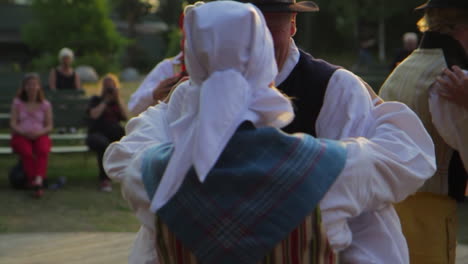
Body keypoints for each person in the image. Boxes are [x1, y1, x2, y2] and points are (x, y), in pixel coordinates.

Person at [103, 2, 435, 263]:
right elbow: (410, 153)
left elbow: (129, 150)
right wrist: (375, 106)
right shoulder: (333, 171)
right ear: (265, 65)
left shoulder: (148, 178)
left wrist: (190, 98)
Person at [238, 0, 434, 263]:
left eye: (270, 27)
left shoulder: (334, 88)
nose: (260, 43)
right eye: (247, 29)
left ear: (293, 23)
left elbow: (361, 217)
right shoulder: (199, 95)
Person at [379, 0, 468, 262]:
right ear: (460, 26)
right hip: (430, 217)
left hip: (389, 212)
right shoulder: (455, 78)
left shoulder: (402, 69)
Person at [128, 12, 190, 116]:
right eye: (184, 36)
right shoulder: (168, 67)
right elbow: (133, 107)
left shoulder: (218, 70)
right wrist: (154, 94)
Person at [10, 73, 53, 198]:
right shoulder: (17, 103)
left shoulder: (45, 104)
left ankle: (38, 180)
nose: (31, 87)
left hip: (40, 134)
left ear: (39, 87)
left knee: (43, 149)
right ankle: (34, 180)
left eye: (34, 84)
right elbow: (13, 123)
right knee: (26, 151)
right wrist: (23, 132)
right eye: (29, 84)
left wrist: (38, 133)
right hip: (21, 134)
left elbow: (49, 126)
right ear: (24, 87)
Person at [86, 74, 127, 192]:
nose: (108, 89)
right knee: (103, 145)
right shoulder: (95, 100)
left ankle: (123, 174)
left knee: (123, 138)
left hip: (113, 133)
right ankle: (104, 179)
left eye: (111, 86)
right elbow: (94, 115)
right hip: (96, 133)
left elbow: (125, 116)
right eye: (106, 86)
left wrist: (117, 99)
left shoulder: (117, 102)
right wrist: (105, 101)